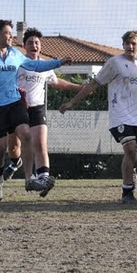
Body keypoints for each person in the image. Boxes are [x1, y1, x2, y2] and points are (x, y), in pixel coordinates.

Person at [0, 19, 71, 202]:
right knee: (1, 148)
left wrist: (58, 63)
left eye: (10, 33)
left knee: (26, 134)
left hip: (14, 101)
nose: (10, 36)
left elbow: (35, 65)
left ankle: (29, 179)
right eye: (7, 33)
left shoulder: (15, 54)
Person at [59, 30, 137, 204]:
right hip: (120, 115)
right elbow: (94, 83)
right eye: (127, 43)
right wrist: (72, 102)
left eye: (134, 43)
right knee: (130, 149)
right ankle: (127, 193)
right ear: (123, 45)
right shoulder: (115, 62)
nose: (130, 47)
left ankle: (129, 169)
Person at [12, 27, 82, 196]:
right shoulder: (18, 64)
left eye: (36, 43)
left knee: (41, 143)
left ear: (40, 46)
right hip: (18, 107)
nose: (34, 45)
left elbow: (57, 82)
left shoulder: (44, 66)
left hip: (37, 108)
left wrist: (80, 87)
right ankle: (14, 166)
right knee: (15, 145)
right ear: (24, 45)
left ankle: (44, 179)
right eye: (30, 43)